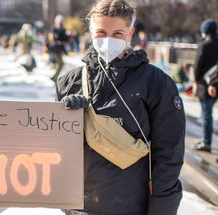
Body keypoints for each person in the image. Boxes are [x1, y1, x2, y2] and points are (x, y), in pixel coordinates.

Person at [56, 0, 185, 214]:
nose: (108, 40)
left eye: (117, 33)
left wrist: (162, 209)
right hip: (80, 206)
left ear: (130, 33)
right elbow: (58, 152)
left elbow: (169, 154)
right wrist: (64, 119)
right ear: (90, 32)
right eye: (101, 32)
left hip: (133, 206)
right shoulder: (69, 82)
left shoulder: (156, 83)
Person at [192, 19, 218, 153]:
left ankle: (206, 141)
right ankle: (205, 139)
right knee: (209, 114)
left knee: (206, 114)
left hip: (206, 85)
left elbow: (197, 67)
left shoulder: (204, 45)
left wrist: (196, 82)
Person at [51, 15, 70, 82]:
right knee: (61, 64)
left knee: (60, 64)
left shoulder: (60, 29)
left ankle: (55, 76)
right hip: (57, 49)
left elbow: (65, 39)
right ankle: (55, 77)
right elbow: (58, 38)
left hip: (59, 49)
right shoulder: (57, 29)